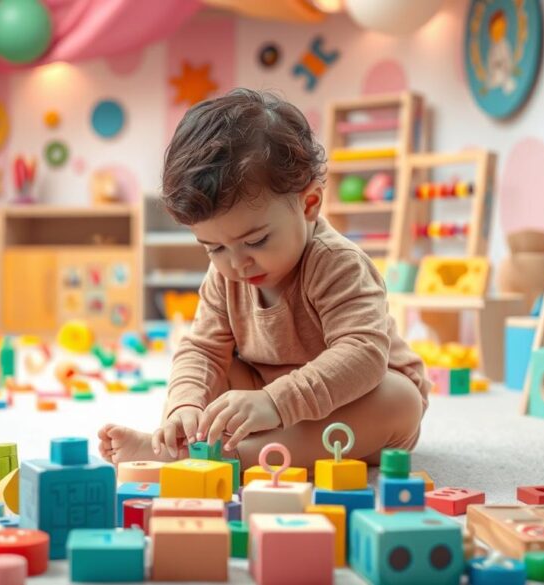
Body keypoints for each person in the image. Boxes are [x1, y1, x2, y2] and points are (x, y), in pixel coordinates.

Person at [99, 89, 430, 470]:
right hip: (263, 405)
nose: (236, 263)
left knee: (399, 399)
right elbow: (203, 350)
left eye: (255, 241)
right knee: (211, 372)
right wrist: (185, 403)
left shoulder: (337, 263)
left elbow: (363, 354)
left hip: (354, 409)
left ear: (309, 204)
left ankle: (234, 458)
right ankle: (186, 446)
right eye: (213, 248)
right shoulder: (225, 274)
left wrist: (276, 403)